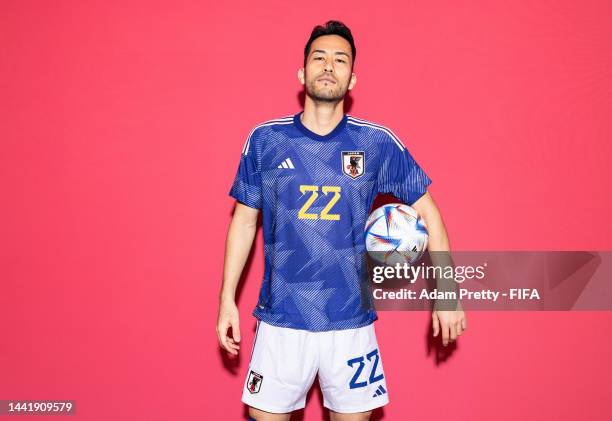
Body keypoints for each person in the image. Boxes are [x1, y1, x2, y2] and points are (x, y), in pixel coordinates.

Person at [217, 20, 467, 421]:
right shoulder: (266, 140)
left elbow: (430, 213)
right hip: (282, 319)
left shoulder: (376, 142)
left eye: (340, 59)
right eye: (319, 58)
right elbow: (245, 222)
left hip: (350, 322)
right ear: (302, 73)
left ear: (352, 79)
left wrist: (448, 292)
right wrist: (227, 298)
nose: (328, 66)